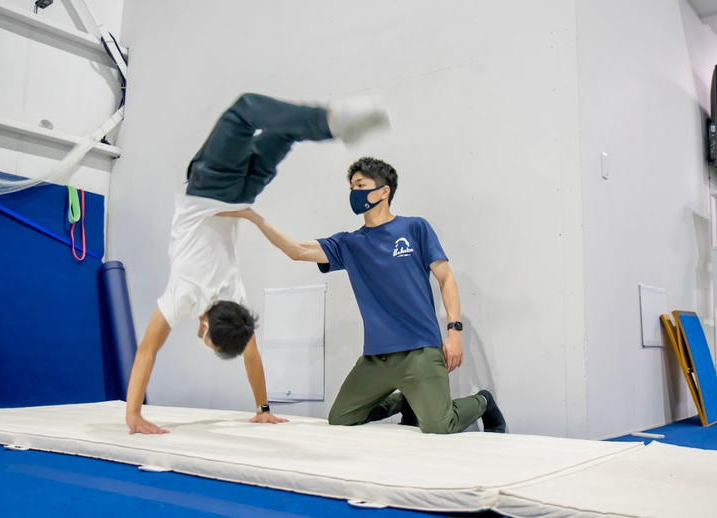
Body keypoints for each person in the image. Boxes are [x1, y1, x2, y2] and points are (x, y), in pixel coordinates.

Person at [125, 94, 391, 434]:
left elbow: (251, 355)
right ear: (205, 323)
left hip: (242, 195)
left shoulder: (236, 305)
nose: (202, 337)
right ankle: (333, 120)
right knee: (243, 111)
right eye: (206, 338)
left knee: (284, 133)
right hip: (211, 188)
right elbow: (147, 350)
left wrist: (263, 408)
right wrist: (133, 414)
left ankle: (332, 125)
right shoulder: (184, 297)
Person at [219, 157, 507, 434]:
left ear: (384, 191)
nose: (353, 192)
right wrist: (253, 217)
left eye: (360, 185)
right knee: (341, 417)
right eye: (351, 187)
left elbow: (446, 278)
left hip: (420, 350)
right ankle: (405, 400)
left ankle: (483, 402)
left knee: (438, 425)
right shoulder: (349, 243)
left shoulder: (414, 228)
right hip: (376, 358)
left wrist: (454, 332)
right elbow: (296, 250)